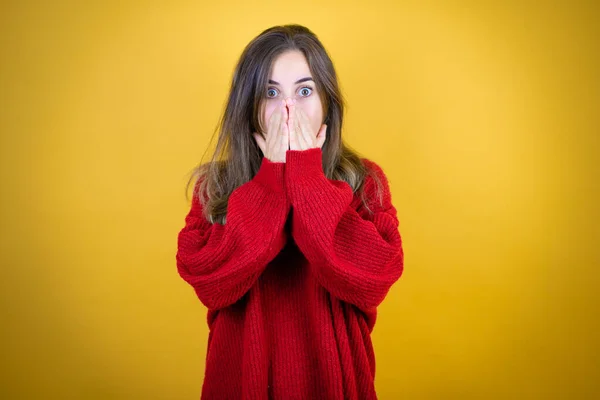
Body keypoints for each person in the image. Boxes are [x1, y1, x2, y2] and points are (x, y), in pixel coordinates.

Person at [176, 24, 404, 400]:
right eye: (270, 92)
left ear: (326, 102)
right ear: (248, 107)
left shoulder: (365, 181)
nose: (287, 108)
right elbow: (211, 282)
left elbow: (375, 277)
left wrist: (308, 178)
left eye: (304, 90)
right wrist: (271, 181)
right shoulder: (214, 187)